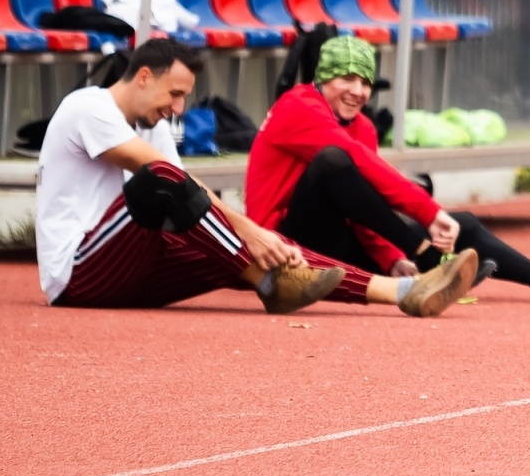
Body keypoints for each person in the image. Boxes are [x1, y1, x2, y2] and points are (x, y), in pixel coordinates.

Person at [35, 38, 477, 317]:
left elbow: (193, 195)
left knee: (247, 242)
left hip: (132, 270)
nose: (179, 109)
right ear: (144, 77)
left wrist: (261, 239)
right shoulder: (87, 107)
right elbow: (165, 180)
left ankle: (402, 290)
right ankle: (274, 278)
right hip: (79, 274)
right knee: (163, 180)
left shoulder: (154, 123)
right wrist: (249, 229)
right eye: (175, 94)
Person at [245, 36, 530, 306]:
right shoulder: (297, 106)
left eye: (365, 83)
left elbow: (362, 203)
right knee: (334, 161)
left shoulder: (361, 124)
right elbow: (353, 165)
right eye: (347, 79)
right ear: (323, 79)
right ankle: (428, 258)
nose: (358, 92)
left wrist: (392, 257)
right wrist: (426, 214)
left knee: (465, 224)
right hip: (283, 246)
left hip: (332, 239)